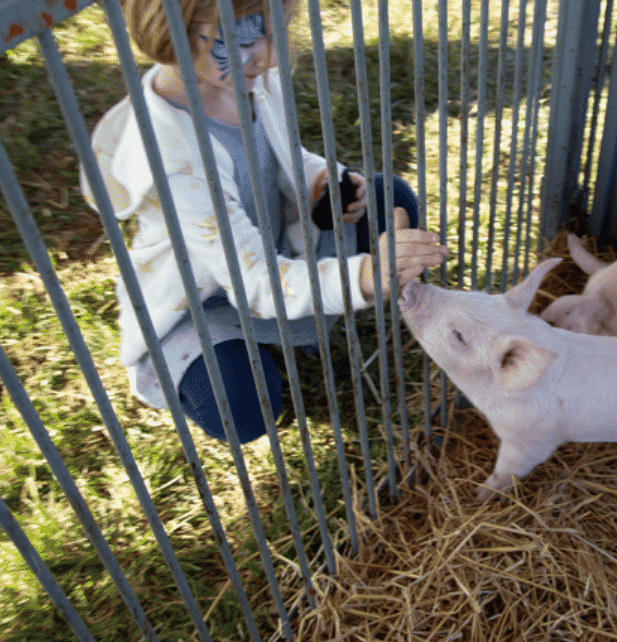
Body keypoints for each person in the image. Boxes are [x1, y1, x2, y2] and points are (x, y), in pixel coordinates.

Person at [81, 0, 448, 444]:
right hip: (207, 301)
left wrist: (321, 183)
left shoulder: (246, 77)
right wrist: (368, 275)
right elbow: (251, 279)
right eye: (244, 39)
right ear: (171, 30)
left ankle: (308, 318)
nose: (273, 57)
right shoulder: (168, 158)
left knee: (390, 195)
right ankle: (193, 362)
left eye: (281, 30)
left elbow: (284, 153)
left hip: (274, 251)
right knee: (243, 408)